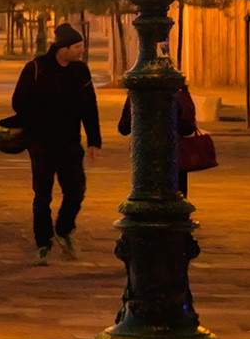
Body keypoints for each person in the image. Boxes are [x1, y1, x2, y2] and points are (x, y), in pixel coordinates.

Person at [11, 23, 100, 263]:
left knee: (76, 191)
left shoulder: (80, 71)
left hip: (70, 143)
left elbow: (89, 106)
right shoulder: (36, 68)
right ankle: (43, 242)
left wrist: (94, 140)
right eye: (78, 47)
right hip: (41, 143)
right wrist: (40, 117)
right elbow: (18, 102)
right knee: (42, 195)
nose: (82, 51)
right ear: (64, 48)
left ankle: (63, 228)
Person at [118, 84, 201, 196]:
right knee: (176, 200)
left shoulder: (137, 92)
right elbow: (188, 128)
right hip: (173, 157)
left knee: (147, 198)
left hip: (146, 157)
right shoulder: (178, 91)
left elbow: (124, 128)